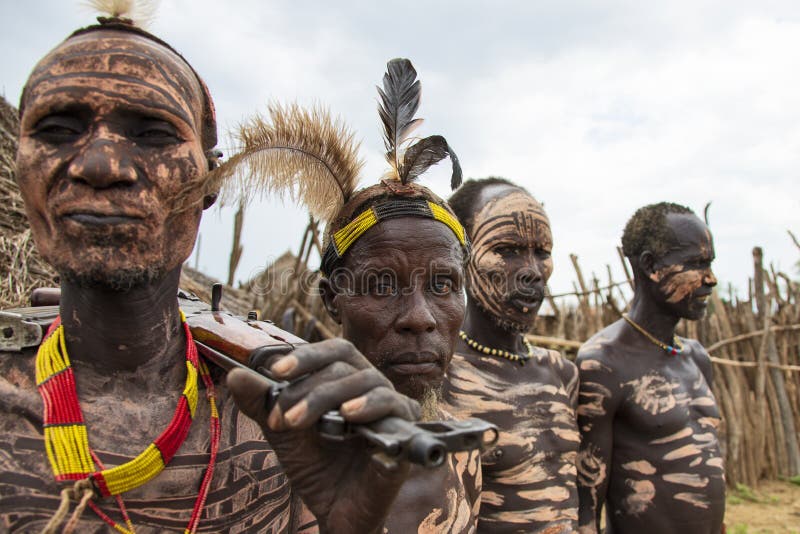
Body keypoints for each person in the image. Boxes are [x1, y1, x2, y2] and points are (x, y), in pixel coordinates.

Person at [1, 6, 421, 532]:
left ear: (212, 181)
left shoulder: (286, 416)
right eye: (57, 129)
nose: (100, 165)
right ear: (17, 166)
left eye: (152, 134)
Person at [223, 58, 482, 532]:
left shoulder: (459, 448)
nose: (420, 318)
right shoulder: (268, 448)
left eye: (444, 285)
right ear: (331, 298)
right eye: (381, 285)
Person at [576, 202, 725, 534]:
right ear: (651, 266)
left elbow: (710, 467)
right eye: (697, 264)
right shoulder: (604, 364)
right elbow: (587, 503)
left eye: (710, 263)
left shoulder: (697, 358)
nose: (711, 279)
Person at [442, 177, 579, 533]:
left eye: (542, 252)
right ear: (459, 254)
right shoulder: (439, 378)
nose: (532, 271)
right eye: (507, 250)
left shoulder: (563, 374)